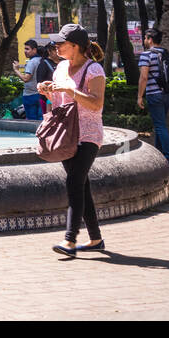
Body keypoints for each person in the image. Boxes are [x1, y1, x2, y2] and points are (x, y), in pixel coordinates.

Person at [40, 23, 107, 256]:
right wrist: (47, 90)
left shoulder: (94, 70)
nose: (56, 46)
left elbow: (97, 104)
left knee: (74, 183)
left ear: (75, 46)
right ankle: (96, 239)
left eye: (61, 43)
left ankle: (69, 241)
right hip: (65, 135)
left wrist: (71, 91)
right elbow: (58, 103)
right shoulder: (60, 69)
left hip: (88, 134)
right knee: (81, 185)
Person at [136, 28, 169, 164]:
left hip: (154, 94)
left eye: (146, 38)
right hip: (168, 94)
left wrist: (140, 96)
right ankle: (158, 152)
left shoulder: (146, 55)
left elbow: (143, 77)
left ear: (150, 39)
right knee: (160, 124)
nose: (145, 41)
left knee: (159, 125)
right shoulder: (167, 54)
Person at [11, 40, 51, 121]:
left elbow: (26, 78)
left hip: (30, 96)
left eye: (27, 49)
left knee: (31, 120)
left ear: (34, 50)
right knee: (41, 119)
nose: (25, 51)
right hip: (42, 95)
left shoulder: (32, 62)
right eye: (25, 49)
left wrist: (16, 70)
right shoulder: (43, 60)